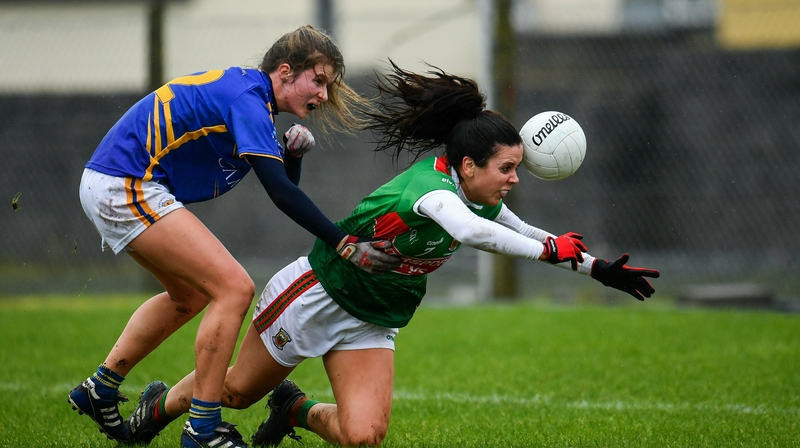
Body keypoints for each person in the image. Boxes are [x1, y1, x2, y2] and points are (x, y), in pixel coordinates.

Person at [124, 62, 660, 447]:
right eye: (506, 170)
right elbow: (475, 233)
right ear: (468, 166)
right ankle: (159, 406)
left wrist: (598, 270)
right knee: (235, 392)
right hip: (318, 295)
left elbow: (517, 228)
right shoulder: (431, 194)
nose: (514, 180)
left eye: (517, 169)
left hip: (374, 317)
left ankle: (295, 409)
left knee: (364, 437)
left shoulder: (472, 193)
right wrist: (550, 253)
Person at [68, 26, 400, 448]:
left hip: (118, 182)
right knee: (235, 288)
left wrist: (290, 156)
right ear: (284, 72)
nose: (323, 94)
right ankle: (202, 429)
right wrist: (343, 242)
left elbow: (279, 182)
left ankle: (99, 389)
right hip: (125, 182)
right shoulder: (248, 100)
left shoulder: (251, 97)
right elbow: (281, 194)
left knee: (189, 296)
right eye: (318, 80)